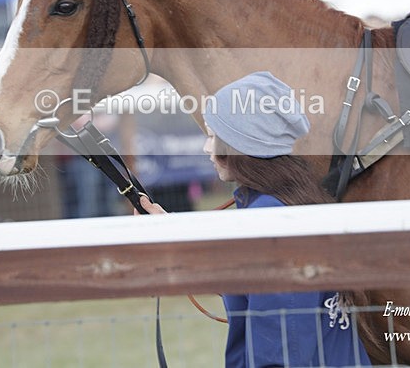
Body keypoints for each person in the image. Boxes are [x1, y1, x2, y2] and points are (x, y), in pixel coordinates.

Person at [138, 71, 371, 367]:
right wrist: (168, 231)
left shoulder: (270, 225)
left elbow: (281, 354)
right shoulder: (288, 205)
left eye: (213, 137)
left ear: (241, 145)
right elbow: (245, 278)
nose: (206, 148)